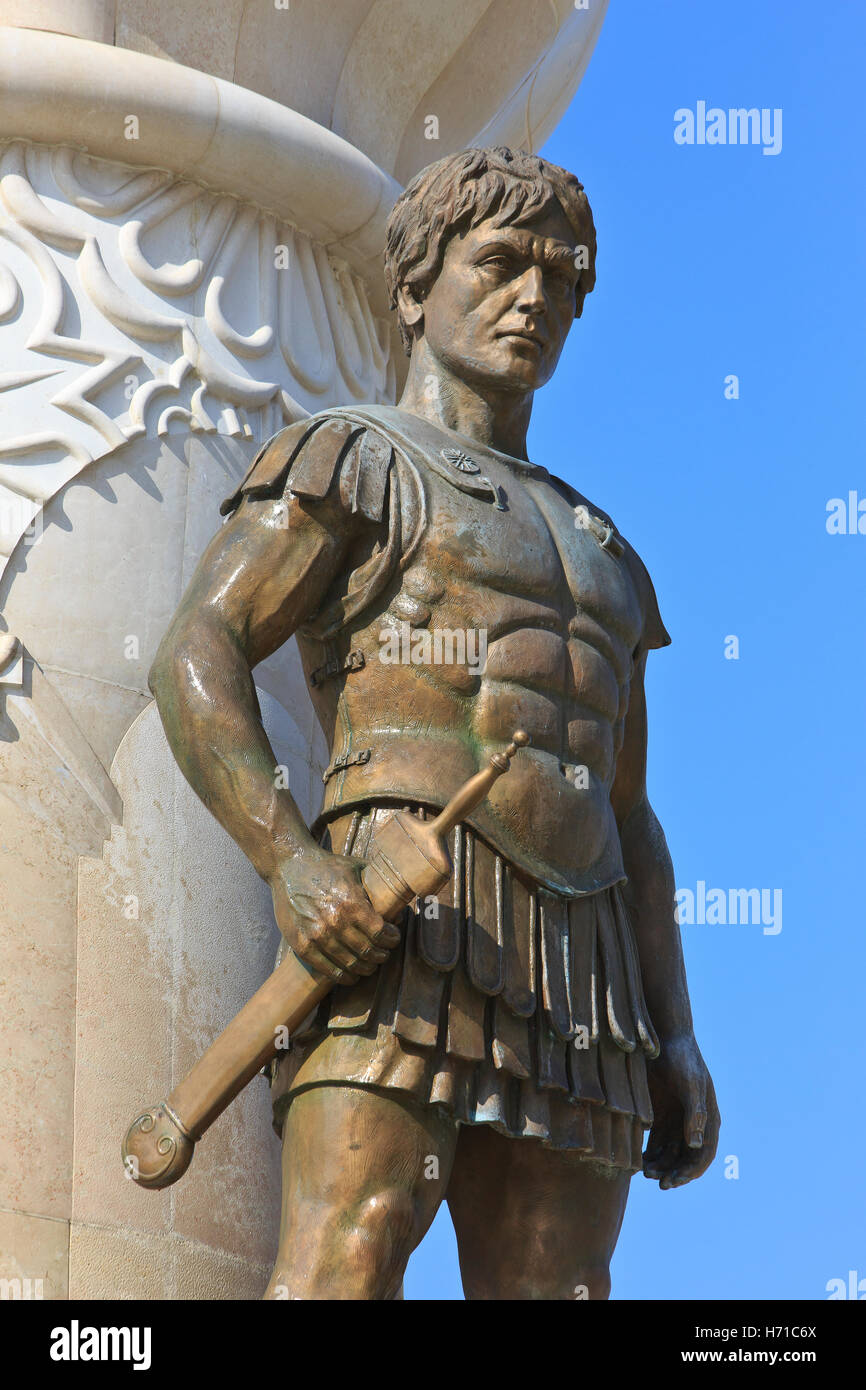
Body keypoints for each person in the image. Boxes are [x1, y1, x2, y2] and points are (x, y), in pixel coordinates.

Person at [149, 147, 720, 1300]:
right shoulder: (350, 458)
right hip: (397, 913)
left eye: (565, 279)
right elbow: (195, 653)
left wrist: (676, 1032)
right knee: (343, 1262)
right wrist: (288, 863)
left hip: (587, 962)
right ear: (415, 287)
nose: (537, 299)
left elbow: (631, 812)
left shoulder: (605, 553)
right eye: (501, 263)